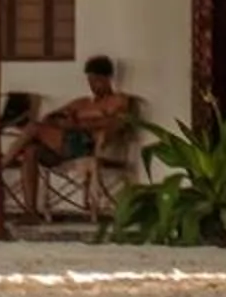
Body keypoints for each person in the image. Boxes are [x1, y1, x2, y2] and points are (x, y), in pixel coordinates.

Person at [11, 56, 136, 210]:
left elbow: (115, 122)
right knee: (31, 151)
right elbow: (50, 117)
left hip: (85, 144)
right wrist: (63, 121)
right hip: (65, 145)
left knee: (33, 128)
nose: (92, 85)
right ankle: (30, 212)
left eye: (96, 80)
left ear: (107, 78)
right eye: (89, 81)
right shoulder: (82, 102)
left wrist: (77, 122)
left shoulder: (118, 100)